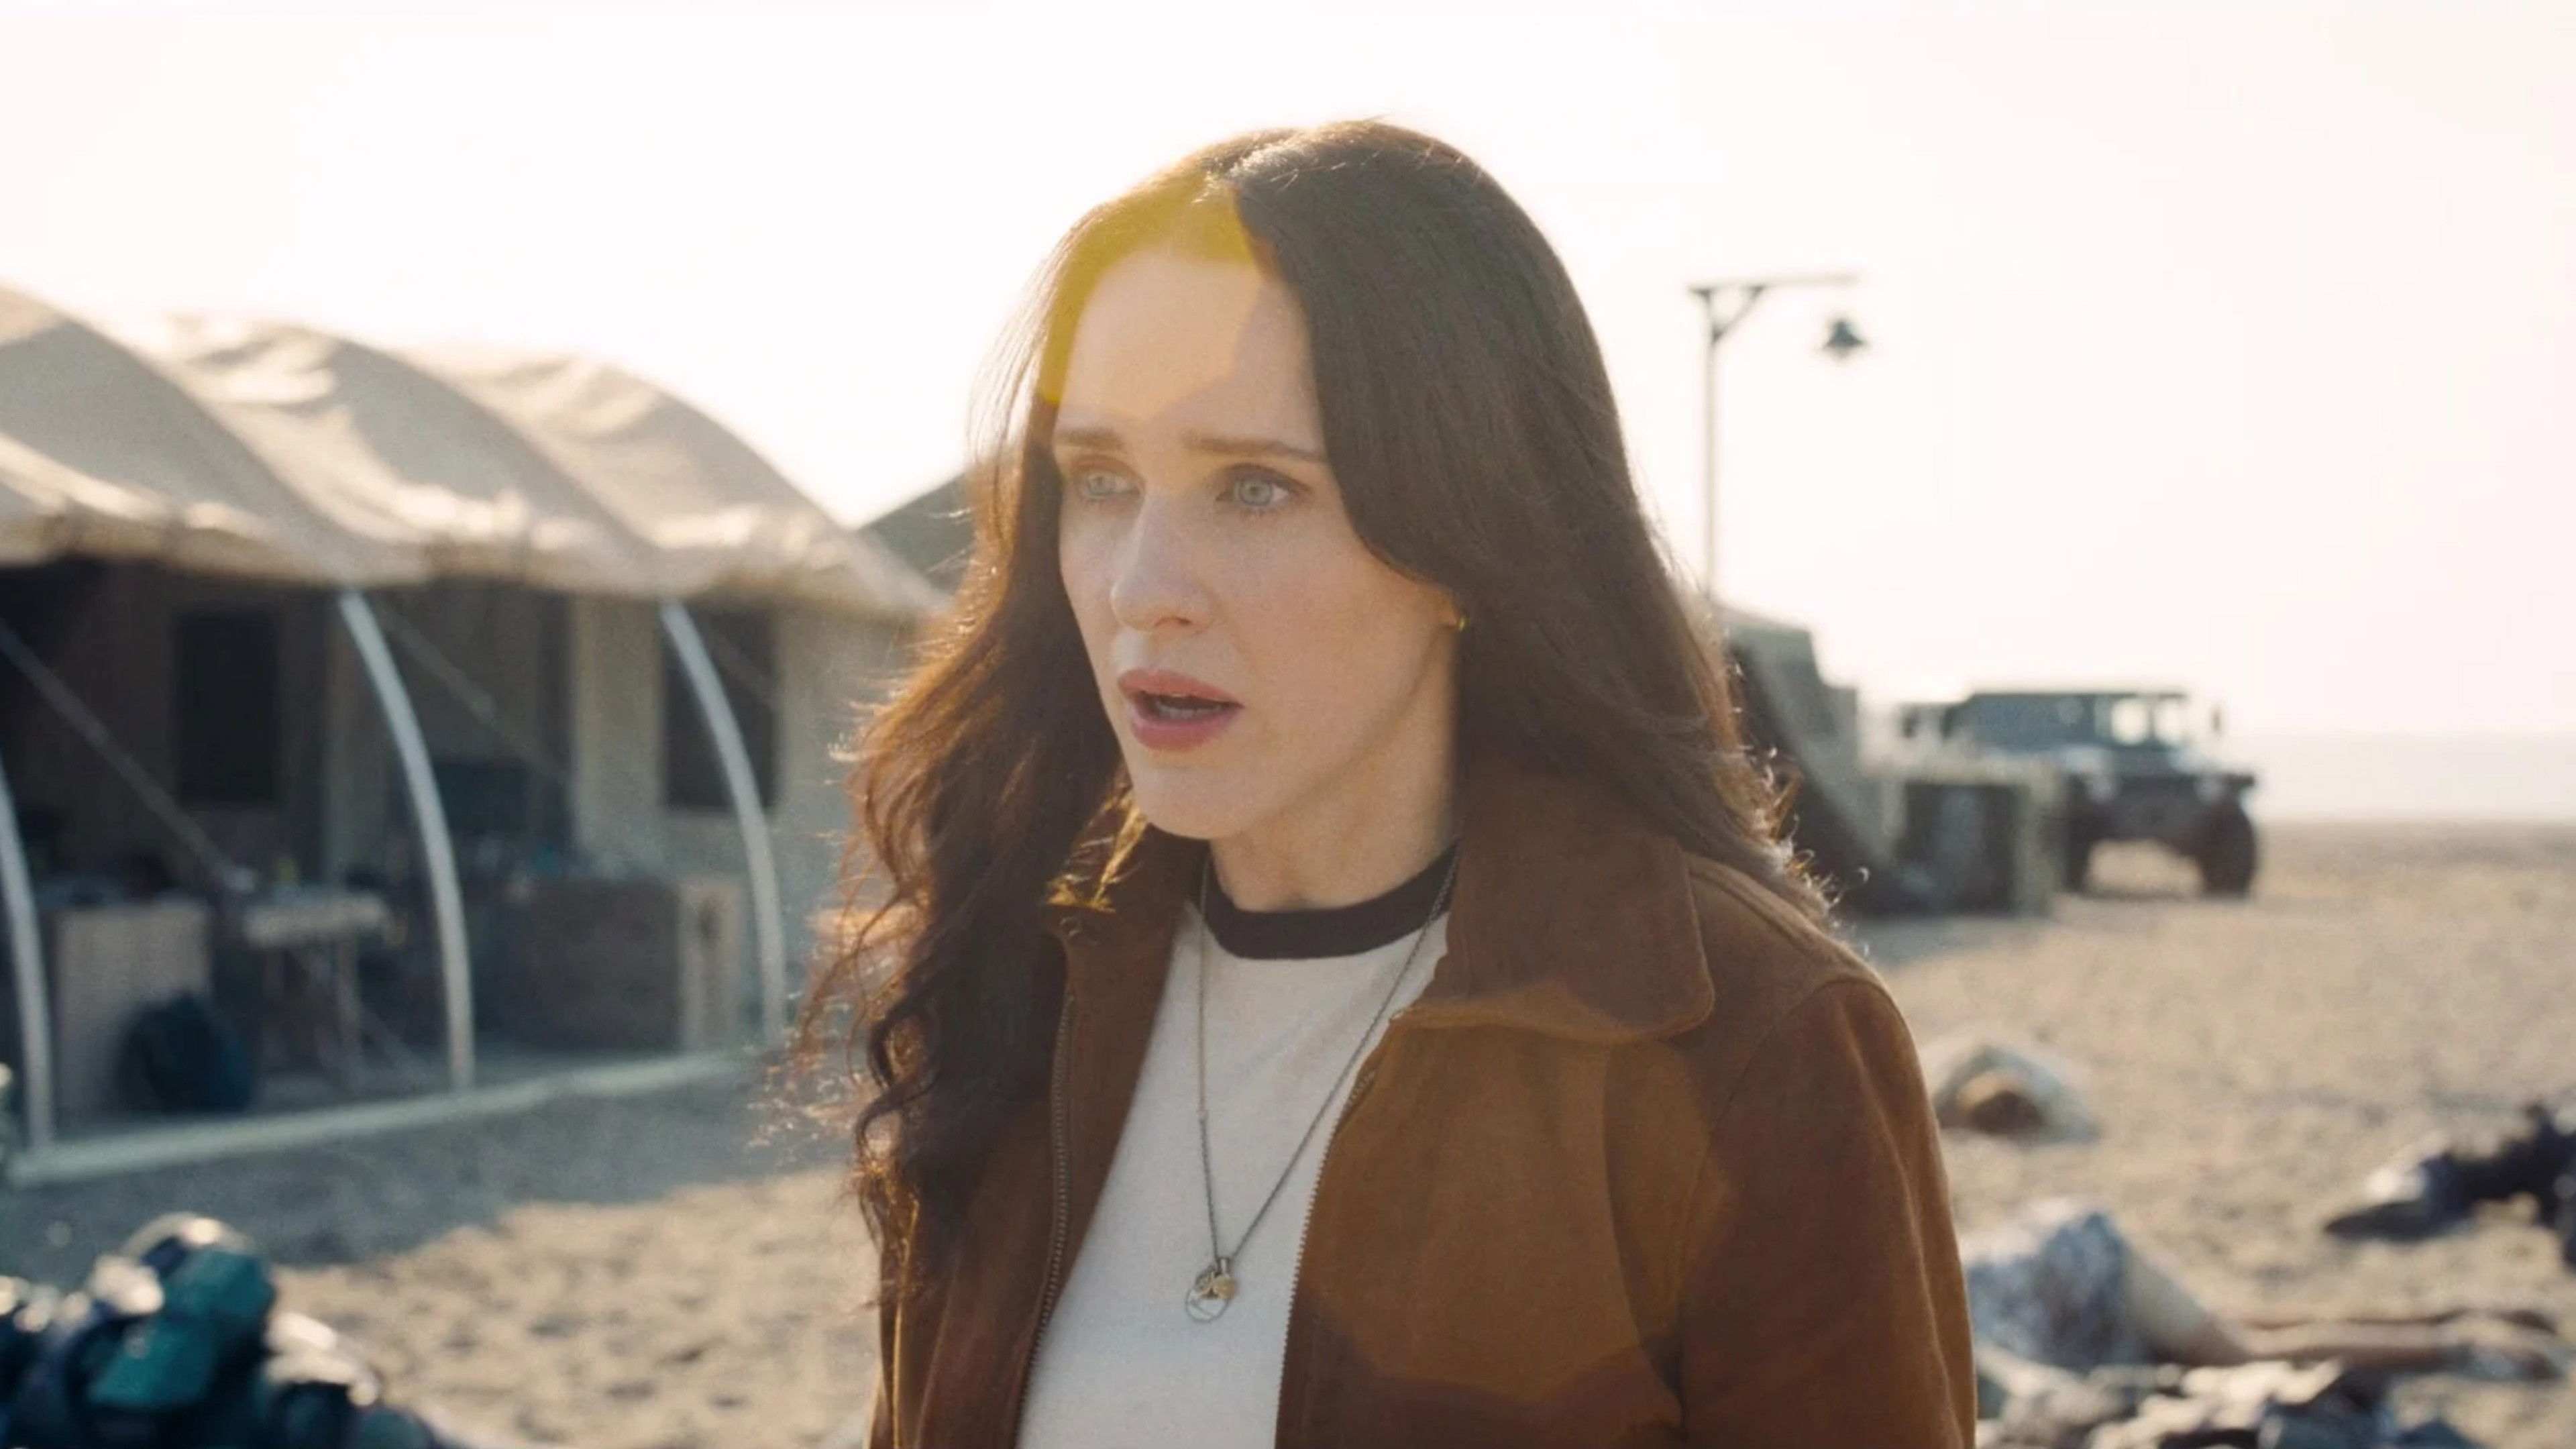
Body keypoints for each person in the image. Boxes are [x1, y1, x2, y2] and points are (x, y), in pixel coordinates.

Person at [800, 121, 1974, 1448]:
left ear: (1464, 538)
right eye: (1103, 479)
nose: (1141, 588)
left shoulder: (1747, 1036)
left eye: (1255, 488)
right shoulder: (1016, 979)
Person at [1964, 1197, 2568, 1387]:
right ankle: (2446, 1314)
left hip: (2083, 1275)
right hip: (2071, 1253)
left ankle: (2455, 1345)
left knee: (2244, 1353)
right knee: (2234, 1327)